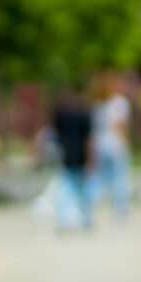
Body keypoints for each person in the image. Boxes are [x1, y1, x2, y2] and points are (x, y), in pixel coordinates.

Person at [87, 71, 132, 218]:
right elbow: (120, 125)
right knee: (119, 177)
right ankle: (120, 208)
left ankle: (89, 203)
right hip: (115, 143)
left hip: (100, 143)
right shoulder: (119, 102)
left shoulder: (98, 104)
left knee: (99, 177)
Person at [52, 89, 94, 231]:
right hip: (80, 155)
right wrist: (90, 159)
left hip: (67, 154)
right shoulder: (84, 114)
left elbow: (59, 136)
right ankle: (85, 217)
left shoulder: (63, 114)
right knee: (82, 189)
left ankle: (64, 218)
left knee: (67, 188)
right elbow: (88, 139)